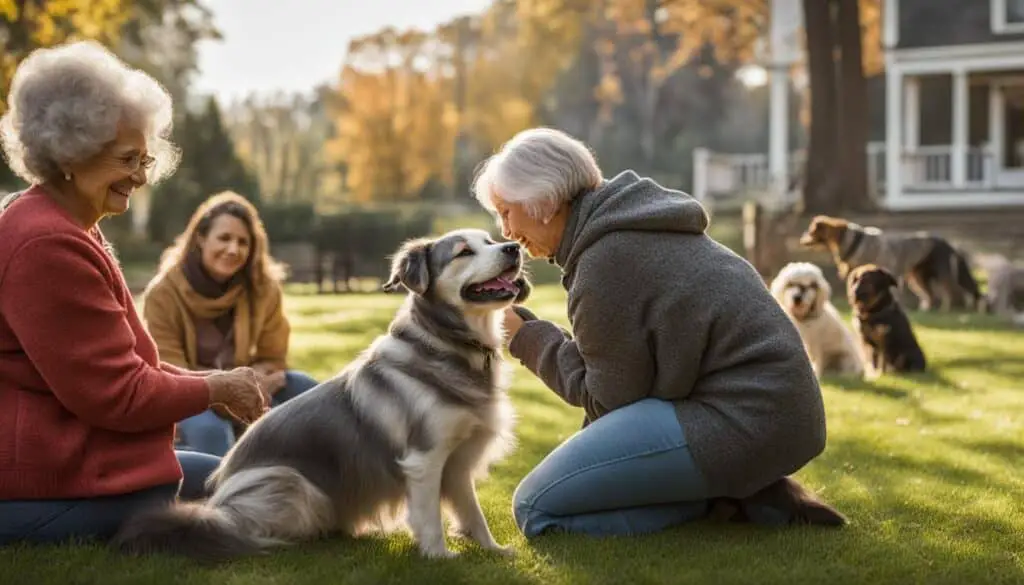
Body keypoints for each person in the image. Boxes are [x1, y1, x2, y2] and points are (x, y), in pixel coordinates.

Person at [471, 127, 846, 538]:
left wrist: (524, 337)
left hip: (743, 421)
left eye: (506, 211)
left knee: (536, 509)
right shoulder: (631, 227)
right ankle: (736, 492)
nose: (506, 231)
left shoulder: (606, 259)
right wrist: (532, 330)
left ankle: (713, 499)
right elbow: (621, 373)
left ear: (542, 200)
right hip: (781, 415)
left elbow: (609, 402)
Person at [0, 40, 267, 546]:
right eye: (128, 159)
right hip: (53, 484)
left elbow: (126, 367)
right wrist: (216, 388)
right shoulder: (46, 242)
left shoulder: (67, 224)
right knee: (263, 489)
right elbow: (118, 395)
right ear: (70, 154)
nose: (142, 177)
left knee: (252, 473)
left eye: (146, 159)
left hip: (86, 466)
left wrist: (216, 379)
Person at [141, 191, 319, 456]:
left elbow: (273, 357)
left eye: (243, 242)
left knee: (306, 389)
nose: (234, 249)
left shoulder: (263, 288)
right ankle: (224, 492)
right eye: (224, 238)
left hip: (250, 388)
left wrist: (253, 383)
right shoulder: (163, 293)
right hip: (191, 396)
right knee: (211, 431)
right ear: (201, 238)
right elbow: (171, 371)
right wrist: (229, 390)